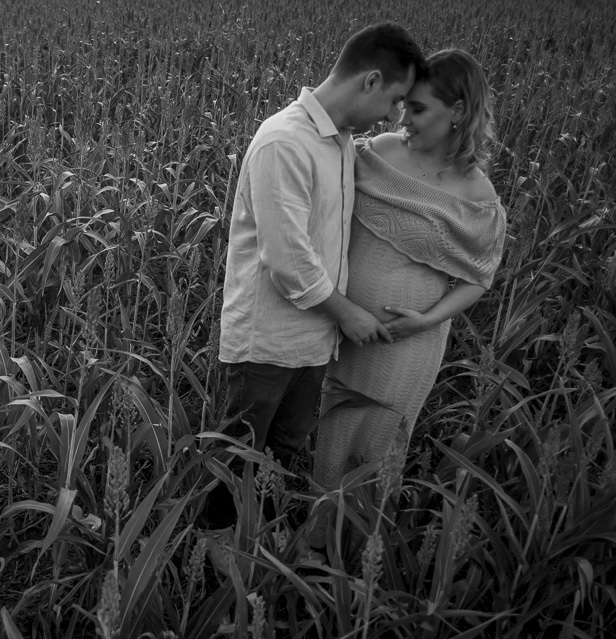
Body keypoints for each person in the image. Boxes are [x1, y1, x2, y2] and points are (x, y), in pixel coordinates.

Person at [200, 23, 427, 529]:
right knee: (237, 453)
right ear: (370, 81)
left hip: (312, 340)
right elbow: (288, 260)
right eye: (393, 100)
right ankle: (211, 555)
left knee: (282, 452)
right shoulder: (285, 141)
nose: (393, 116)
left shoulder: (342, 142)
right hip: (268, 341)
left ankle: (259, 540)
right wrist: (348, 314)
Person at [312, 49, 507, 503]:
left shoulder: (477, 194)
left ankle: (358, 555)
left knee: (376, 450)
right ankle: (315, 543)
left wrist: (427, 320)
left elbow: (480, 277)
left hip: (406, 345)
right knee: (329, 437)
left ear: (458, 112)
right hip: (342, 326)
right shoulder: (378, 152)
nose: (404, 118)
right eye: (404, 105)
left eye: (418, 109)